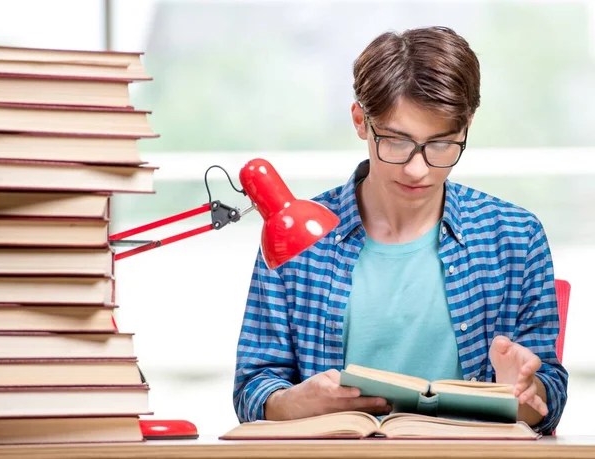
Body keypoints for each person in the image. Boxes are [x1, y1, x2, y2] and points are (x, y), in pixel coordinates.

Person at [233, 26, 568, 435]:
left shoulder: (516, 236)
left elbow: (548, 401)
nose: (418, 169)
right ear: (361, 121)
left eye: (442, 144)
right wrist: (297, 401)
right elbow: (252, 389)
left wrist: (521, 393)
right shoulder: (297, 236)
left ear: (468, 126)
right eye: (396, 141)